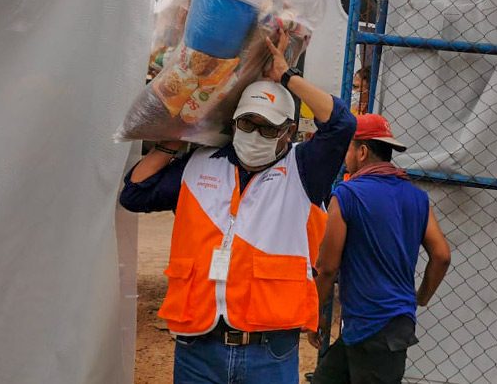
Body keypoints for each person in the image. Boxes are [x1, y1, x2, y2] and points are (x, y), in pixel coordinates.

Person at [119, 31, 356, 384]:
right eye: (247, 123)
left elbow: (341, 123)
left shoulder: (304, 170)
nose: (254, 134)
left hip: (268, 351)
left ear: (288, 132)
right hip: (198, 347)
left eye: (267, 127)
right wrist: (170, 144)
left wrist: (287, 76)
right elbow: (134, 194)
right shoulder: (201, 163)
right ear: (233, 123)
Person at [310, 114, 452, 384]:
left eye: (348, 148)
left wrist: (314, 314)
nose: (345, 156)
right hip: (390, 326)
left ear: (362, 151)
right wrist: (420, 297)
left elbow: (327, 267)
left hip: (368, 323)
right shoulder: (417, 197)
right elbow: (441, 255)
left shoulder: (348, 194)